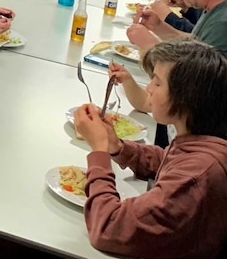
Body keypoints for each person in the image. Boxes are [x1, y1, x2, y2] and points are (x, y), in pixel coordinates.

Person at [73, 39, 227, 259]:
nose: (148, 88)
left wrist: (99, 152)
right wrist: (116, 146)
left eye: (157, 82)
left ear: (185, 98)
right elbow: (167, 160)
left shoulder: (196, 176)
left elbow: (108, 227)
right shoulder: (199, 142)